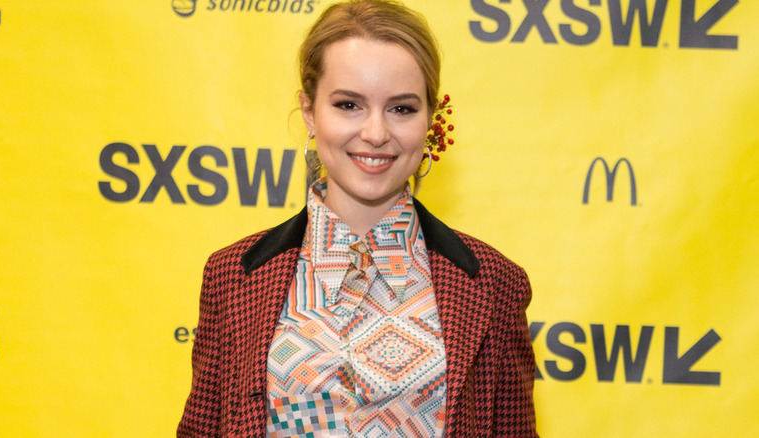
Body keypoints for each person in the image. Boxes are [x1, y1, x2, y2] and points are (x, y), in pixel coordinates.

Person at [177, 1, 538, 436]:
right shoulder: (232, 276)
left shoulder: (495, 285)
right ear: (309, 111)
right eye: (349, 104)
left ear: (431, 119)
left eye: (401, 108)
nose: (375, 133)